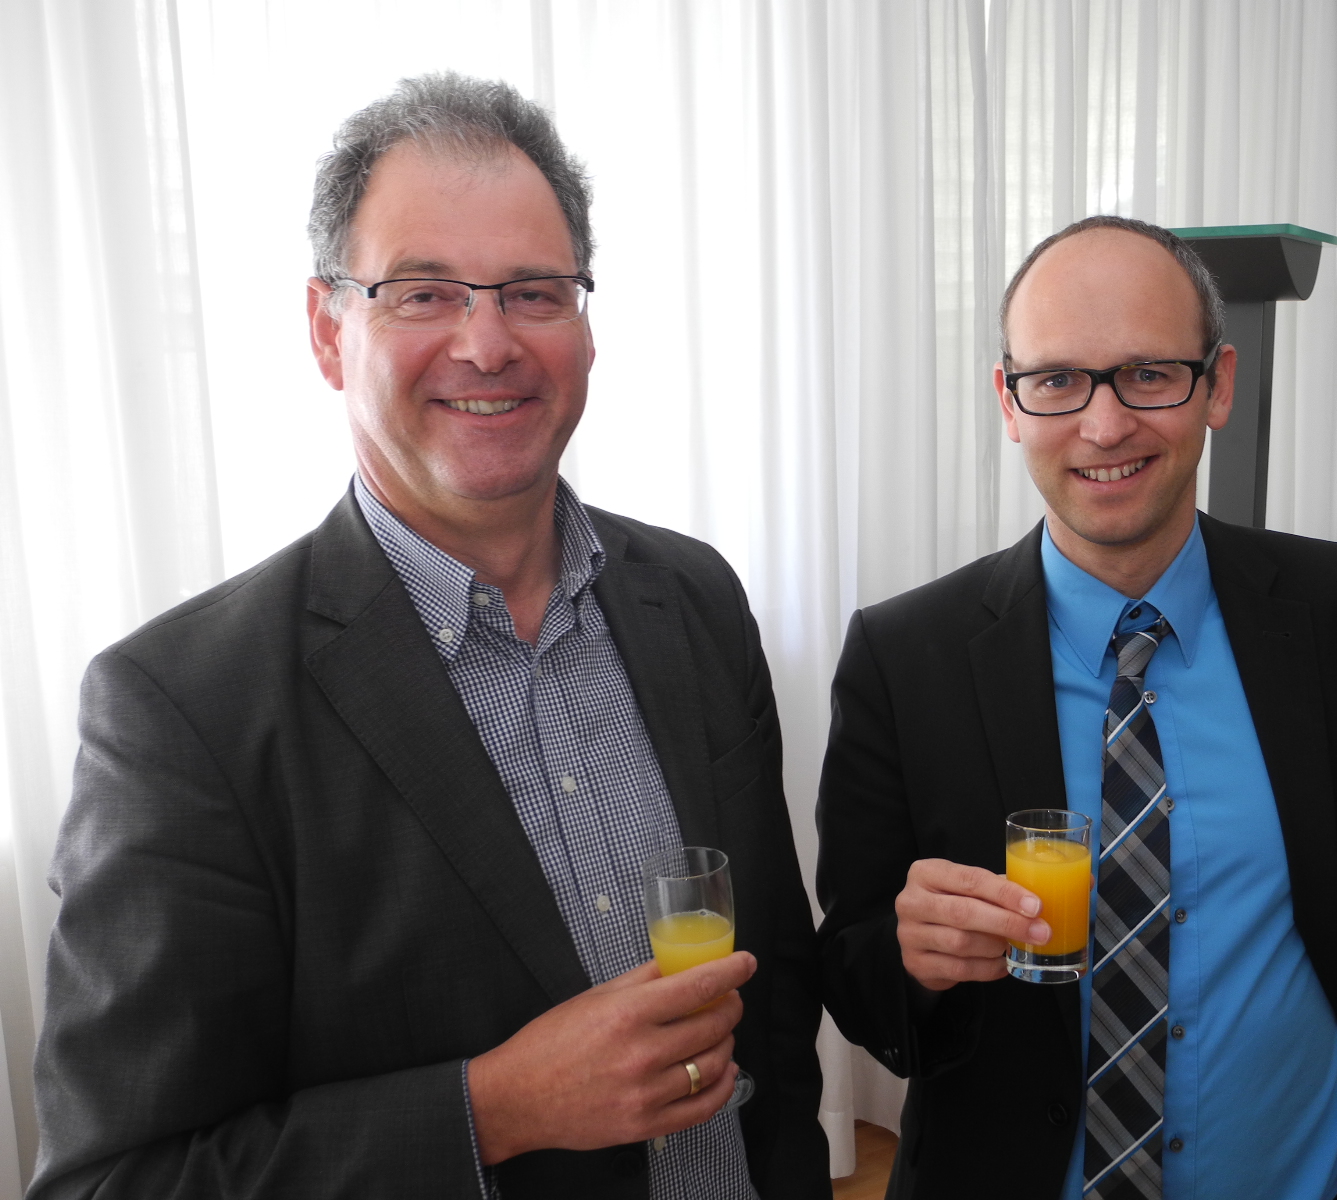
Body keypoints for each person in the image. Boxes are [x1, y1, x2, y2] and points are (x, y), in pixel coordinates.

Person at [30, 73, 829, 1200]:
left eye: (534, 292)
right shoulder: (182, 710)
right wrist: (492, 1111)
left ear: (585, 326)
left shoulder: (694, 598)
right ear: (328, 331)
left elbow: (776, 997)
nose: (487, 344)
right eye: (423, 294)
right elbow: (116, 1180)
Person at [814, 215, 1337, 1200]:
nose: (1105, 425)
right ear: (1009, 401)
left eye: (1149, 374)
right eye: (1056, 380)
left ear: (1218, 384)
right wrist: (911, 959)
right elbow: (854, 973)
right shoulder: (902, 658)